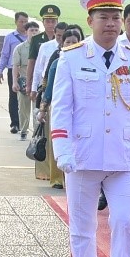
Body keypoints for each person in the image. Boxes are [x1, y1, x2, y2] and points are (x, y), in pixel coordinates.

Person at [51, 0, 130, 257]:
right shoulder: (72, 57)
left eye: (115, 17)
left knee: (124, 223)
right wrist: (62, 150)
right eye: (104, 16)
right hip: (83, 155)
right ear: (90, 20)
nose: (111, 23)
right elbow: (61, 107)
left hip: (122, 158)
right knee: (81, 226)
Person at [44, 26, 85, 189]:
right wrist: (43, 105)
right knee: (59, 145)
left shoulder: (86, 61)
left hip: (79, 113)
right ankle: (56, 178)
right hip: (60, 109)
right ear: (62, 43)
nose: (71, 45)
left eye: (74, 42)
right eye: (68, 42)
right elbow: (49, 84)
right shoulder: (58, 60)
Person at [0, 11, 30, 133]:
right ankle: (15, 124)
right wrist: (0, 70)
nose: (23, 24)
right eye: (21, 21)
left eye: (26, 21)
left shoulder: (32, 36)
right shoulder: (10, 37)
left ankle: (25, 123)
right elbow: (5, 54)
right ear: (16, 22)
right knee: (13, 97)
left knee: (27, 98)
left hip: (28, 70)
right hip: (13, 70)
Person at [25, 4, 60, 106]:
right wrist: (29, 84)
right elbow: (32, 62)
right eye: (47, 21)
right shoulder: (36, 39)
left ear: (57, 22)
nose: (50, 24)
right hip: (42, 82)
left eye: (53, 21)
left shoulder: (63, 38)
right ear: (43, 22)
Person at [11, 20, 40, 139]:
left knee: (37, 108)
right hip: (24, 81)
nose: (33, 32)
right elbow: (15, 65)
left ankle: (37, 133)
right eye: (31, 30)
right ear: (26, 32)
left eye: (36, 30)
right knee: (23, 108)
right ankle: (24, 130)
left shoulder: (42, 47)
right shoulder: (20, 48)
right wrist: (14, 81)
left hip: (38, 81)